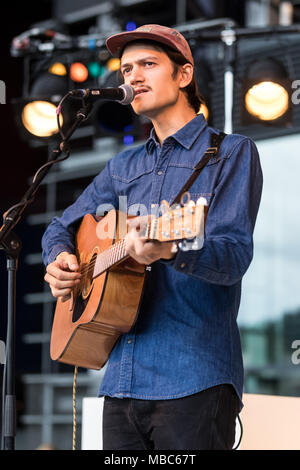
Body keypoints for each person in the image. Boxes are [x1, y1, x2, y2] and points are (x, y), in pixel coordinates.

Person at [42, 24, 263, 450]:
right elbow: (59, 228)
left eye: (147, 64)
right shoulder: (121, 168)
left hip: (194, 377)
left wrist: (174, 249)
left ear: (183, 75)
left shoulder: (231, 153)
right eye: (126, 70)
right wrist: (62, 260)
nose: (132, 78)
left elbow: (234, 256)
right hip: (120, 382)